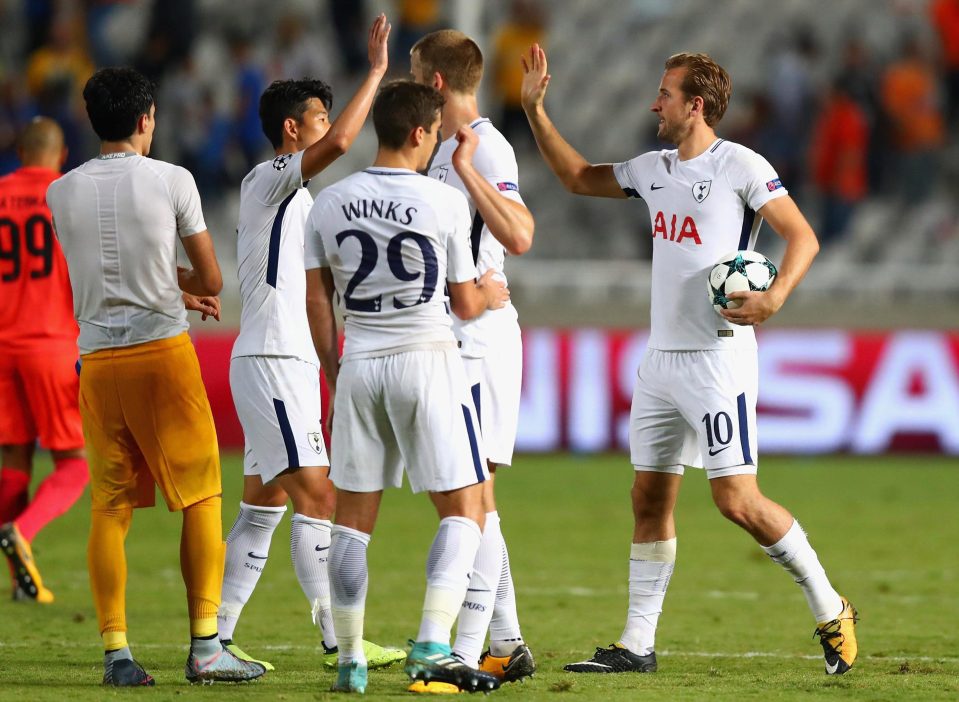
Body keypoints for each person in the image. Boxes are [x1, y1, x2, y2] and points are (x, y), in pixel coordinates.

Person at [520, 46, 859, 675]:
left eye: (665, 94)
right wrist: (536, 111)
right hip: (660, 361)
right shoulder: (652, 169)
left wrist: (776, 295)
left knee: (736, 500)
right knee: (649, 498)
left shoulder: (741, 166)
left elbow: (803, 234)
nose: (655, 103)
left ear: (694, 105)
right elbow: (576, 177)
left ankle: (829, 604)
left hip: (717, 359)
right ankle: (637, 645)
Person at [45, 67, 265, 687]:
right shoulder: (172, 179)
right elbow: (212, 278)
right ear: (147, 118)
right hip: (160, 352)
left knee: (110, 506)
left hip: (97, 360)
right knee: (200, 494)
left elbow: (102, 267)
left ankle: (117, 653)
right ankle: (206, 648)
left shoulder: (61, 192)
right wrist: (183, 289)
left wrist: (164, 283)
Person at [304, 80, 507, 694]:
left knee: (351, 524)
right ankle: (432, 644)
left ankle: (348, 660)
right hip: (427, 360)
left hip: (360, 363)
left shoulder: (328, 201)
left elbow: (318, 301)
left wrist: (334, 374)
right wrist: (492, 293)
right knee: (467, 509)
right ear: (420, 133)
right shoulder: (442, 203)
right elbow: (466, 302)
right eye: (436, 135)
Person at [219, 13, 404, 672]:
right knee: (320, 498)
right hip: (270, 359)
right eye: (319, 117)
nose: (330, 127)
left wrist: (331, 367)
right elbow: (348, 139)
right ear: (292, 130)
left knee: (263, 507)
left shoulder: (298, 204)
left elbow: (313, 295)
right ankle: (340, 641)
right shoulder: (269, 180)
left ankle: (213, 639)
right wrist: (378, 70)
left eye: (329, 115)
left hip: (289, 363)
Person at [409, 29, 536, 684]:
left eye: (412, 75)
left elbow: (518, 232)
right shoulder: (436, 151)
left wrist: (464, 170)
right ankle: (505, 638)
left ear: (434, 82)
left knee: (469, 500)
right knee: (460, 500)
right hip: (448, 340)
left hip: (480, 343)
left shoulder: (484, 147)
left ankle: (462, 646)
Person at [0, 117, 88, 604]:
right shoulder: (66, 195)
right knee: (73, 464)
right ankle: (22, 531)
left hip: (3, 345)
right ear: (59, 155)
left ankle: (19, 581)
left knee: (13, 455)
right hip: (52, 342)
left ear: (20, 150)